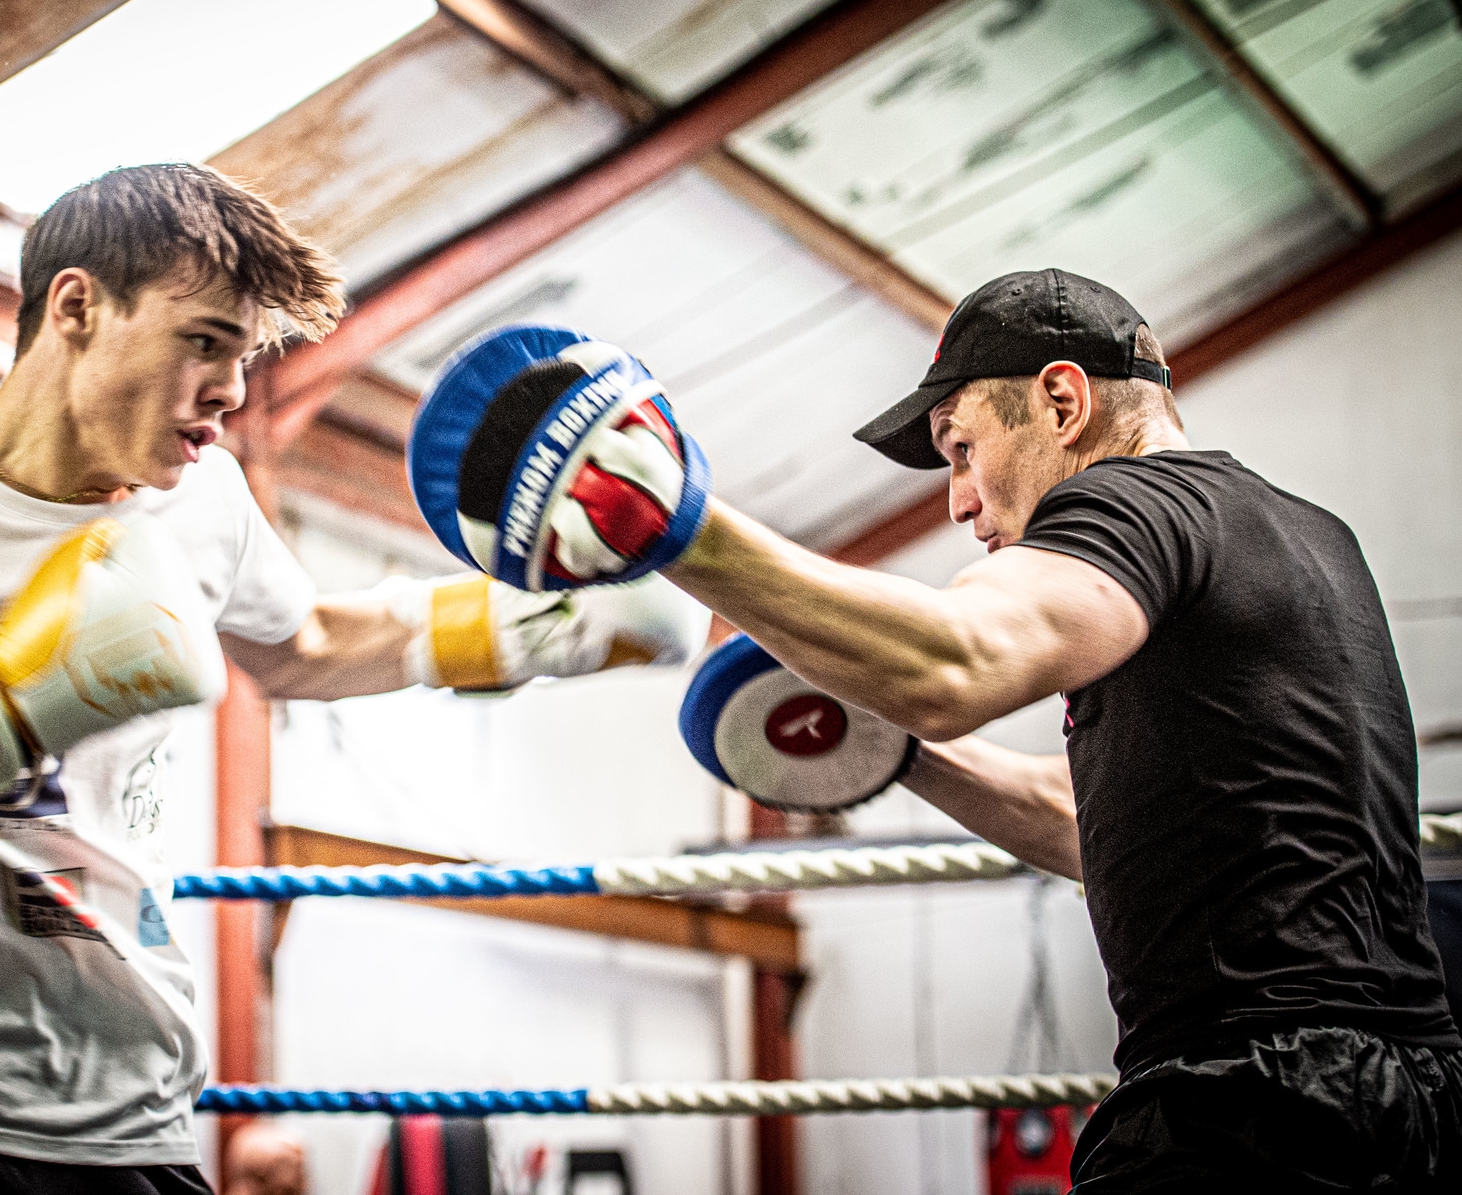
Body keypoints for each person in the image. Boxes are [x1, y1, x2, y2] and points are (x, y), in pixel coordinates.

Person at [0, 164, 704, 1193]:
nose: (231, 391)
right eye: (205, 341)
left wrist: (542, 627)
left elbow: (307, 640)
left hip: (130, 1113)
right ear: (78, 307)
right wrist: (11, 691)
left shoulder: (203, 501)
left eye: (245, 354)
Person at [439, 269, 1461, 1190]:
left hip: (1256, 1106)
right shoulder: (1302, 532)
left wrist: (675, 526)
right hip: (1414, 1094)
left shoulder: (1137, 508)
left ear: (1064, 400)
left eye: (962, 448)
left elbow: (959, 660)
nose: (962, 502)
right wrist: (893, 746)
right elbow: (1087, 823)